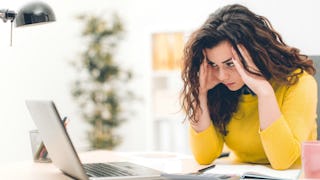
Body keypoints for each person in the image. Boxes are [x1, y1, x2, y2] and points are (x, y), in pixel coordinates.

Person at [180, 4, 317, 170]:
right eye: (213, 64)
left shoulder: (300, 82)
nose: (222, 76)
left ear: (256, 53)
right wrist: (200, 93)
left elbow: (283, 161)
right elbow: (204, 157)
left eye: (230, 64)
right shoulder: (221, 87)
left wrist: (264, 92)